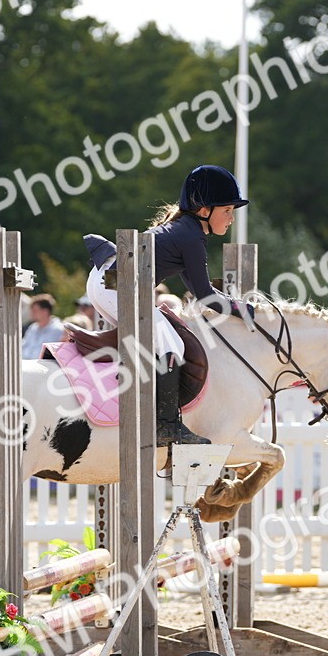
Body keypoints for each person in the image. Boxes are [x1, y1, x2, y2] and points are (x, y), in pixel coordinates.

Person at [84, 164, 250, 446]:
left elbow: (198, 291)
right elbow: (206, 295)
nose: (231, 218)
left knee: (159, 337)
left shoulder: (185, 231)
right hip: (114, 284)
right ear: (203, 210)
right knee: (170, 343)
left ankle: (144, 404)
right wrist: (244, 311)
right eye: (227, 211)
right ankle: (167, 424)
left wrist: (236, 307)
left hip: (106, 281)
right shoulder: (191, 236)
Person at [21, 294, 64, 359]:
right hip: (26, 365)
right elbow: (22, 347)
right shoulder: (33, 327)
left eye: (35, 311)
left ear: (45, 311)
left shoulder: (58, 330)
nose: (31, 313)